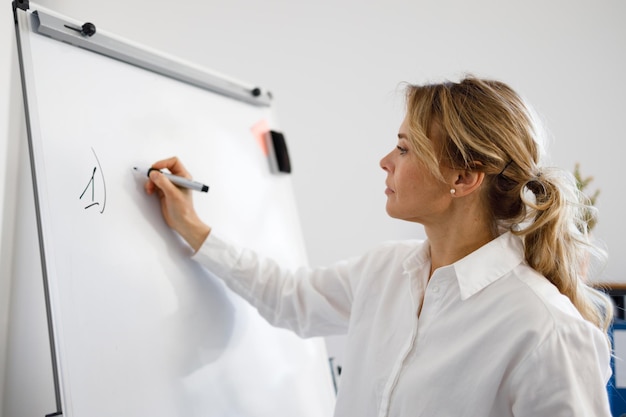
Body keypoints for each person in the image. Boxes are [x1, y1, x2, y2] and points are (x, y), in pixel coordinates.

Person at [143, 76, 613, 416]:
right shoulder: (386, 271)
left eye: (405, 149)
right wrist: (192, 227)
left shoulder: (545, 329)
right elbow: (287, 297)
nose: (385, 161)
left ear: (464, 177)